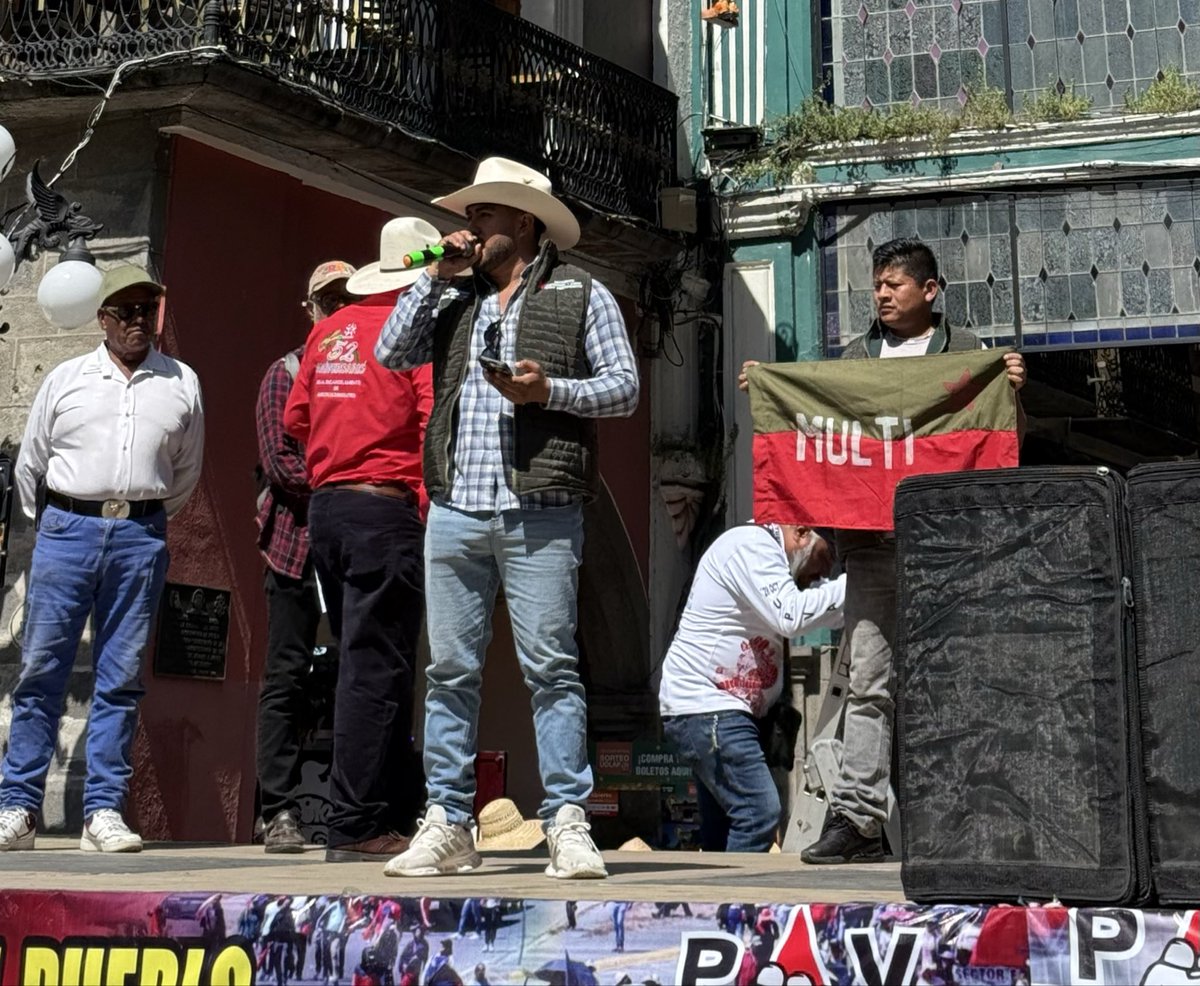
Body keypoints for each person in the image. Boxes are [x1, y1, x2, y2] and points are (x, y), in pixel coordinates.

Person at [376, 157, 639, 881]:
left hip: (542, 511)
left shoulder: (583, 293)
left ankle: (566, 821)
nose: (469, 228)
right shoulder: (452, 299)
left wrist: (548, 391)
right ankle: (449, 822)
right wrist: (431, 277)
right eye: (469, 217)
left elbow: (623, 390)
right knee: (450, 670)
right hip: (458, 507)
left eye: (484, 216)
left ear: (521, 223)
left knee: (552, 668)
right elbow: (389, 352)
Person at [740, 237, 1026, 864]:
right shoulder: (854, 362)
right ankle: (859, 819)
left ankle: (961, 818)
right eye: (877, 285)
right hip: (874, 550)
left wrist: (1011, 392)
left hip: (949, 551)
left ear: (931, 291)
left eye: (895, 284)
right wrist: (770, 390)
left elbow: (1000, 442)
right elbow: (814, 430)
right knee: (869, 681)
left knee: (955, 683)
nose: (882, 295)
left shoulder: (969, 358)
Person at [0, 265, 204, 853]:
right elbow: (30, 465)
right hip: (67, 529)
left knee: (120, 678)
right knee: (42, 672)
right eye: (126, 311)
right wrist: (61, 523)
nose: (139, 321)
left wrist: (141, 516)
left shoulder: (181, 382)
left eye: (148, 310)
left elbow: (185, 472)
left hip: (140, 535)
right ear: (104, 319)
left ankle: (102, 812)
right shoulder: (66, 379)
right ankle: (19, 807)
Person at [284, 220, 436, 862]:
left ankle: (388, 809)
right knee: (379, 667)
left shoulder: (327, 331)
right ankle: (354, 822)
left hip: (329, 509)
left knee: (361, 661)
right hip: (384, 507)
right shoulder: (415, 334)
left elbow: (298, 417)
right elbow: (433, 425)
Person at [659, 524, 845, 852]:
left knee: (724, 829)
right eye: (824, 557)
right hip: (709, 707)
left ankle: (714, 898)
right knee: (758, 811)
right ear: (801, 532)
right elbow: (792, 616)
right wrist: (860, 584)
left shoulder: (766, 555)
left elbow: (813, 612)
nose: (823, 573)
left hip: (718, 711)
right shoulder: (752, 546)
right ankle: (736, 899)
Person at [255, 259, 356, 855]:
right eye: (328, 300)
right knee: (286, 676)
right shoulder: (285, 372)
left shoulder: (371, 368)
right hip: (295, 544)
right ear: (310, 309)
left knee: (362, 672)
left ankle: (359, 803)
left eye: (346, 298)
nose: (337, 308)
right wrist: (347, 488)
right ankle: (280, 809)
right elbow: (280, 462)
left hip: (351, 543)